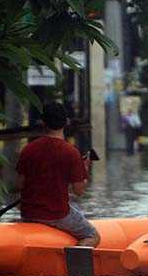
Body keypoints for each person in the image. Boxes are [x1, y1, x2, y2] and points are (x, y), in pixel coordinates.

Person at [16, 102, 100, 247]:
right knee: (92, 235)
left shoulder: (28, 149)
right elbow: (79, 191)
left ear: (43, 122)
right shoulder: (71, 153)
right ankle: (76, 265)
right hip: (57, 215)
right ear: (66, 122)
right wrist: (84, 169)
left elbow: (19, 184)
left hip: (28, 213)